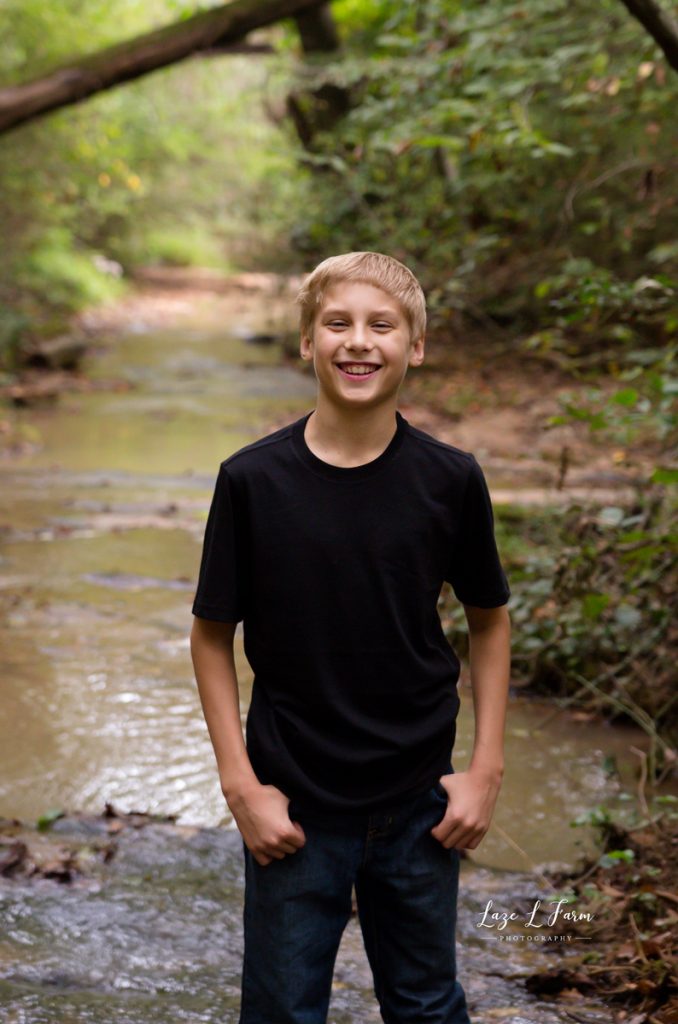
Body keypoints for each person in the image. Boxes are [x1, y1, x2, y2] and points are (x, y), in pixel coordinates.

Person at [190, 251, 511, 1024]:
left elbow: (489, 617)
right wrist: (242, 788)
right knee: (281, 1011)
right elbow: (210, 637)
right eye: (336, 323)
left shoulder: (450, 479)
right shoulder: (251, 481)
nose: (357, 342)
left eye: (382, 325)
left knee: (428, 1005)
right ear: (307, 342)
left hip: (420, 802)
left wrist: (484, 770)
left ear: (417, 346)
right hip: (292, 808)